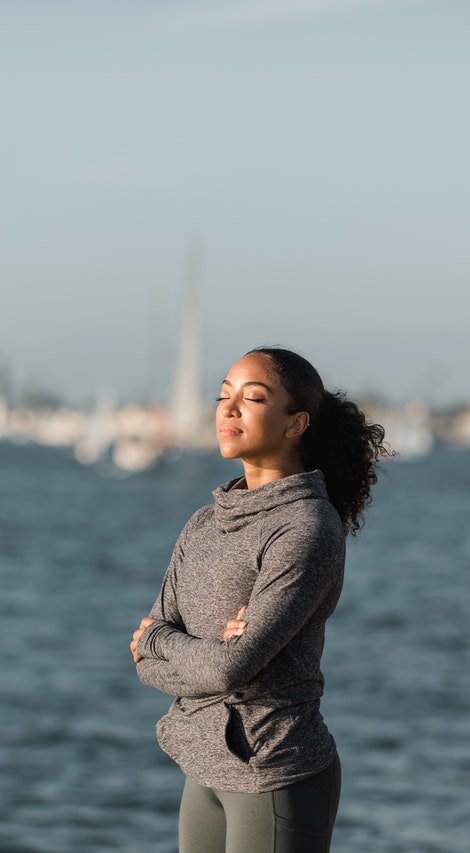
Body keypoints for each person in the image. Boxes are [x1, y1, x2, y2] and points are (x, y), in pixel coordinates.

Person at [131, 346, 389, 853]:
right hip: (202, 766)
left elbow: (224, 665)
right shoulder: (204, 524)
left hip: (276, 770)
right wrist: (199, 653)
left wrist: (165, 639)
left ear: (295, 424)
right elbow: (144, 664)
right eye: (224, 396)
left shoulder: (305, 528)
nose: (229, 409)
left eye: (252, 398)